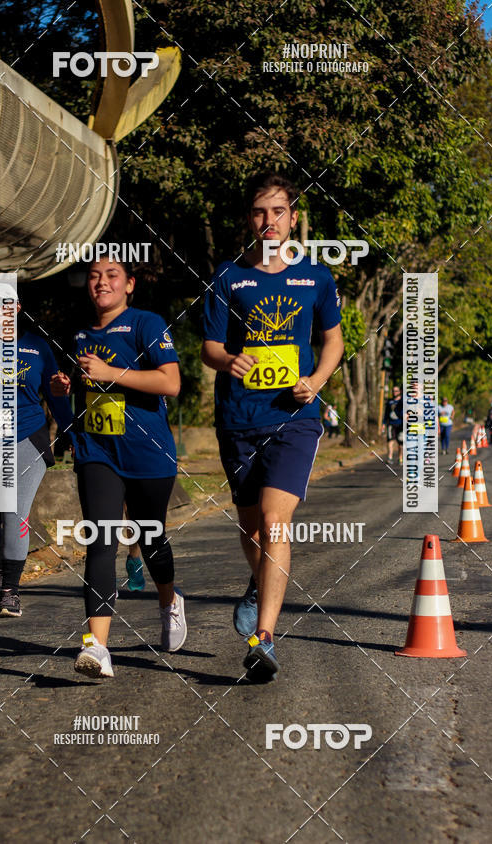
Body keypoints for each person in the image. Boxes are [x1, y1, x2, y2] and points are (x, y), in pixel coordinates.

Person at [201, 171, 343, 682]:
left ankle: (264, 638)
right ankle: (258, 582)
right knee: (252, 527)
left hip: (294, 418)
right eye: (260, 212)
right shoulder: (229, 276)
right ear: (251, 218)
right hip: (239, 418)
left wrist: (317, 379)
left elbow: (334, 341)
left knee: (273, 518)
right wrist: (229, 360)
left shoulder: (316, 278)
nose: (269, 221)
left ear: (293, 218)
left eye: (278, 211)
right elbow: (210, 348)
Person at [50, 258, 185, 679]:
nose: (101, 283)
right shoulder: (79, 333)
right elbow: (76, 386)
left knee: (151, 535)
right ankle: (98, 648)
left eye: (111, 276)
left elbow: (171, 383)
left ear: (129, 285)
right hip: (97, 452)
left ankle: (169, 601)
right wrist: (64, 388)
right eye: (94, 277)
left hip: (147, 453)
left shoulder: (147, 323)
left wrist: (112, 373)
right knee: (101, 540)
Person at [0, 286, 74, 617]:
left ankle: (10, 592)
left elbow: (56, 393)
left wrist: (71, 432)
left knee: (15, 514)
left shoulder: (37, 346)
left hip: (28, 438)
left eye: (5, 305)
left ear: (18, 307)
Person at [382, 385, 403, 464]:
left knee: (401, 442)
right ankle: (390, 457)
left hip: (400, 424)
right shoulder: (389, 402)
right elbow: (386, 414)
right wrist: (383, 423)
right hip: (391, 424)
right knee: (390, 440)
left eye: (396, 391)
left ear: (399, 391)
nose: (395, 392)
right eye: (393, 391)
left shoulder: (402, 401)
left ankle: (400, 458)